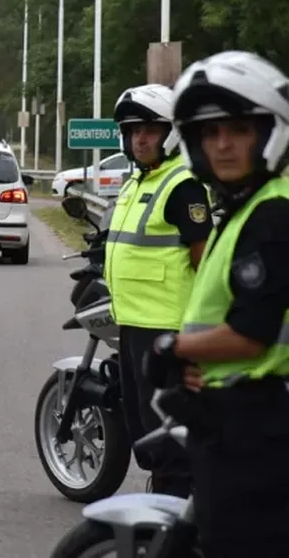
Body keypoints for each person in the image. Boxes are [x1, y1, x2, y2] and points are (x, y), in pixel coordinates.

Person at [145, 50, 289, 558]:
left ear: (267, 133)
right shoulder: (244, 208)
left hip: (259, 433)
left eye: (238, 129)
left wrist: (171, 347)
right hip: (239, 419)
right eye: (210, 132)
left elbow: (250, 334)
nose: (224, 144)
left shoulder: (271, 216)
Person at [103, 83, 211, 498]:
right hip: (133, 322)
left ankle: (173, 509)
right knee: (145, 429)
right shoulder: (137, 181)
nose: (140, 139)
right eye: (133, 131)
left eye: (149, 130)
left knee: (166, 434)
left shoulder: (182, 183)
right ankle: (167, 497)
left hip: (166, 326)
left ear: (171, 134)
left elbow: (205, 259)